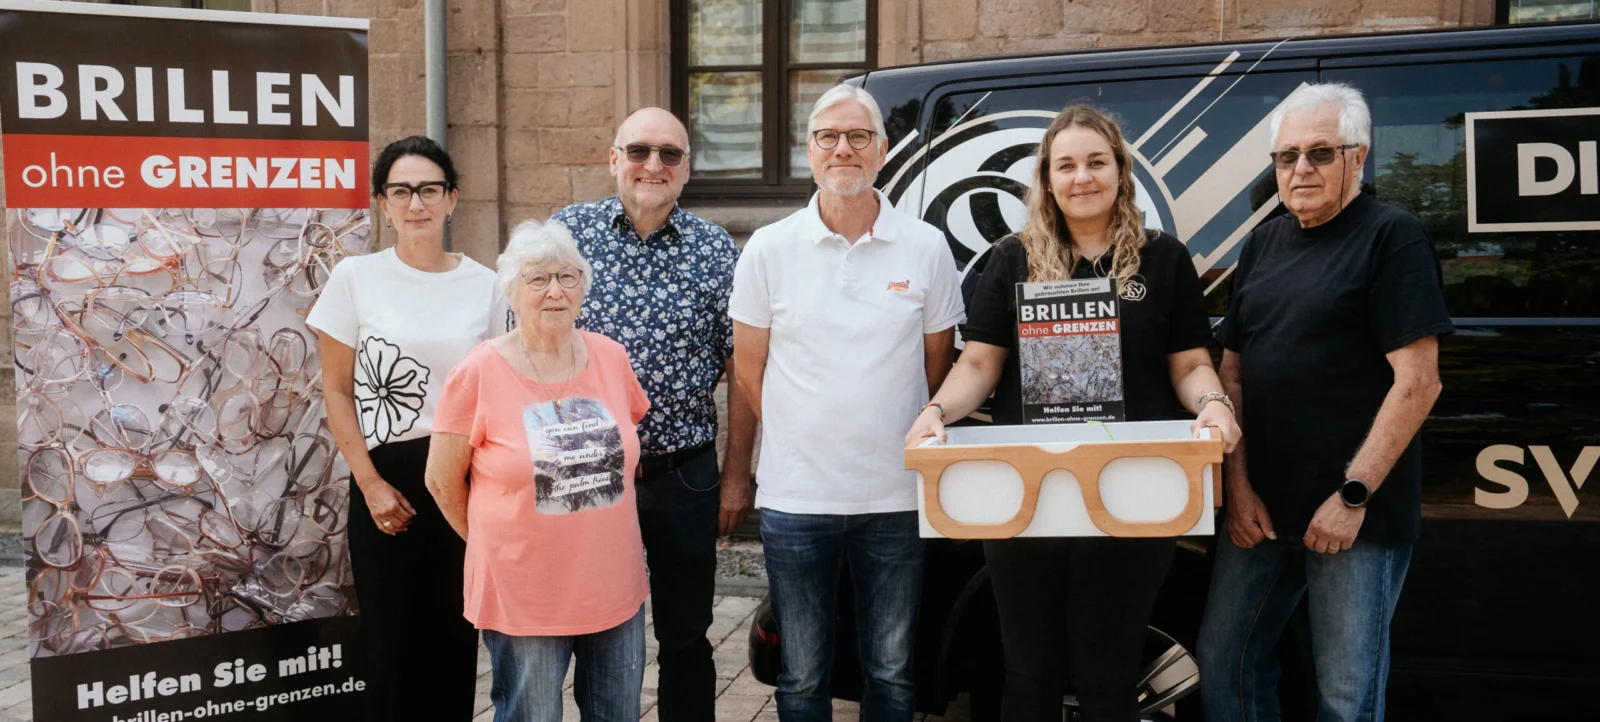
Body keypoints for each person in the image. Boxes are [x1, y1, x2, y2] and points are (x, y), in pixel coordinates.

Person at [903, 104, 1242, 722]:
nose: (1082, 177)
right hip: (1027, 489)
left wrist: (1214, 403)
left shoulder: (1163, 258)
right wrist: (936, 411)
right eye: (1066, 165)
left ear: (1120, 171)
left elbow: (1191, 363)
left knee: (1108, 670)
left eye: (1096, 162)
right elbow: (979, 363)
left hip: (1135, 485)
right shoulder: (1011, 258)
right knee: (1028, 670)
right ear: (1046, 178)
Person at [1197, 83, 1451, 722]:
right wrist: (1238, 486)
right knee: (1225, 664)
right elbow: (1233, 375)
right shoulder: (1264, 243)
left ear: (1357, 157)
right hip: (1261, 513)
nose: (1301, 169)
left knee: (1346, 698)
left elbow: (1419, 382)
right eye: (1287, 157)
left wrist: (1352, 496)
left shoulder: (1392, 237)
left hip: (1354, 520)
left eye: (1320, 152)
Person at [730, 85, 965, 722]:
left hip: (896, 496)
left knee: (891, 672)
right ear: (809, 151)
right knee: (802, 676)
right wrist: (801, 432)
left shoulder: (925, 247)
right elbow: (748, 369)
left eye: (858, 137)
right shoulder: (768, 248)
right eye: (828, 137)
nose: (844, 149)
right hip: (797, 498)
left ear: (882, 151)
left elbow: (937, 366)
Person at [550, 107, 756, 722]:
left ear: (686, 169)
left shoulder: (714, 249)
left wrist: (736, 475)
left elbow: (742, 372)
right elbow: (527, 348)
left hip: (683, 471)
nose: (653, 165)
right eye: (639, 151)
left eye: (670, 154)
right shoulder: (567, 234)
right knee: (592, 627)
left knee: (687, 634)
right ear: (614, 159)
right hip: (586, 466)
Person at [307, 135, 502, 722]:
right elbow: (337, 390)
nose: (416, 203)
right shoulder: (355, 277)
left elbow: (498, 390)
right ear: (382, 204)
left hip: (462, 480)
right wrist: (369, 485)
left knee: (453, 645)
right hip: (386, 482)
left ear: (452, 199)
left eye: (429, 189)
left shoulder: (486, 284)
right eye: (401, 191)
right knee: (390, 651)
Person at [425, 219, 651, 722]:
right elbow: (440, 479)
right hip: (524, 591)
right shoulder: (478, 371)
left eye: (567, 277)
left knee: (618, 714)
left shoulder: (611, 358)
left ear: (583, 287)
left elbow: (624, 455)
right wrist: (491, 544)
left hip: (612, 582)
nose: (555, 291)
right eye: (537, 279)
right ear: (511, 291)